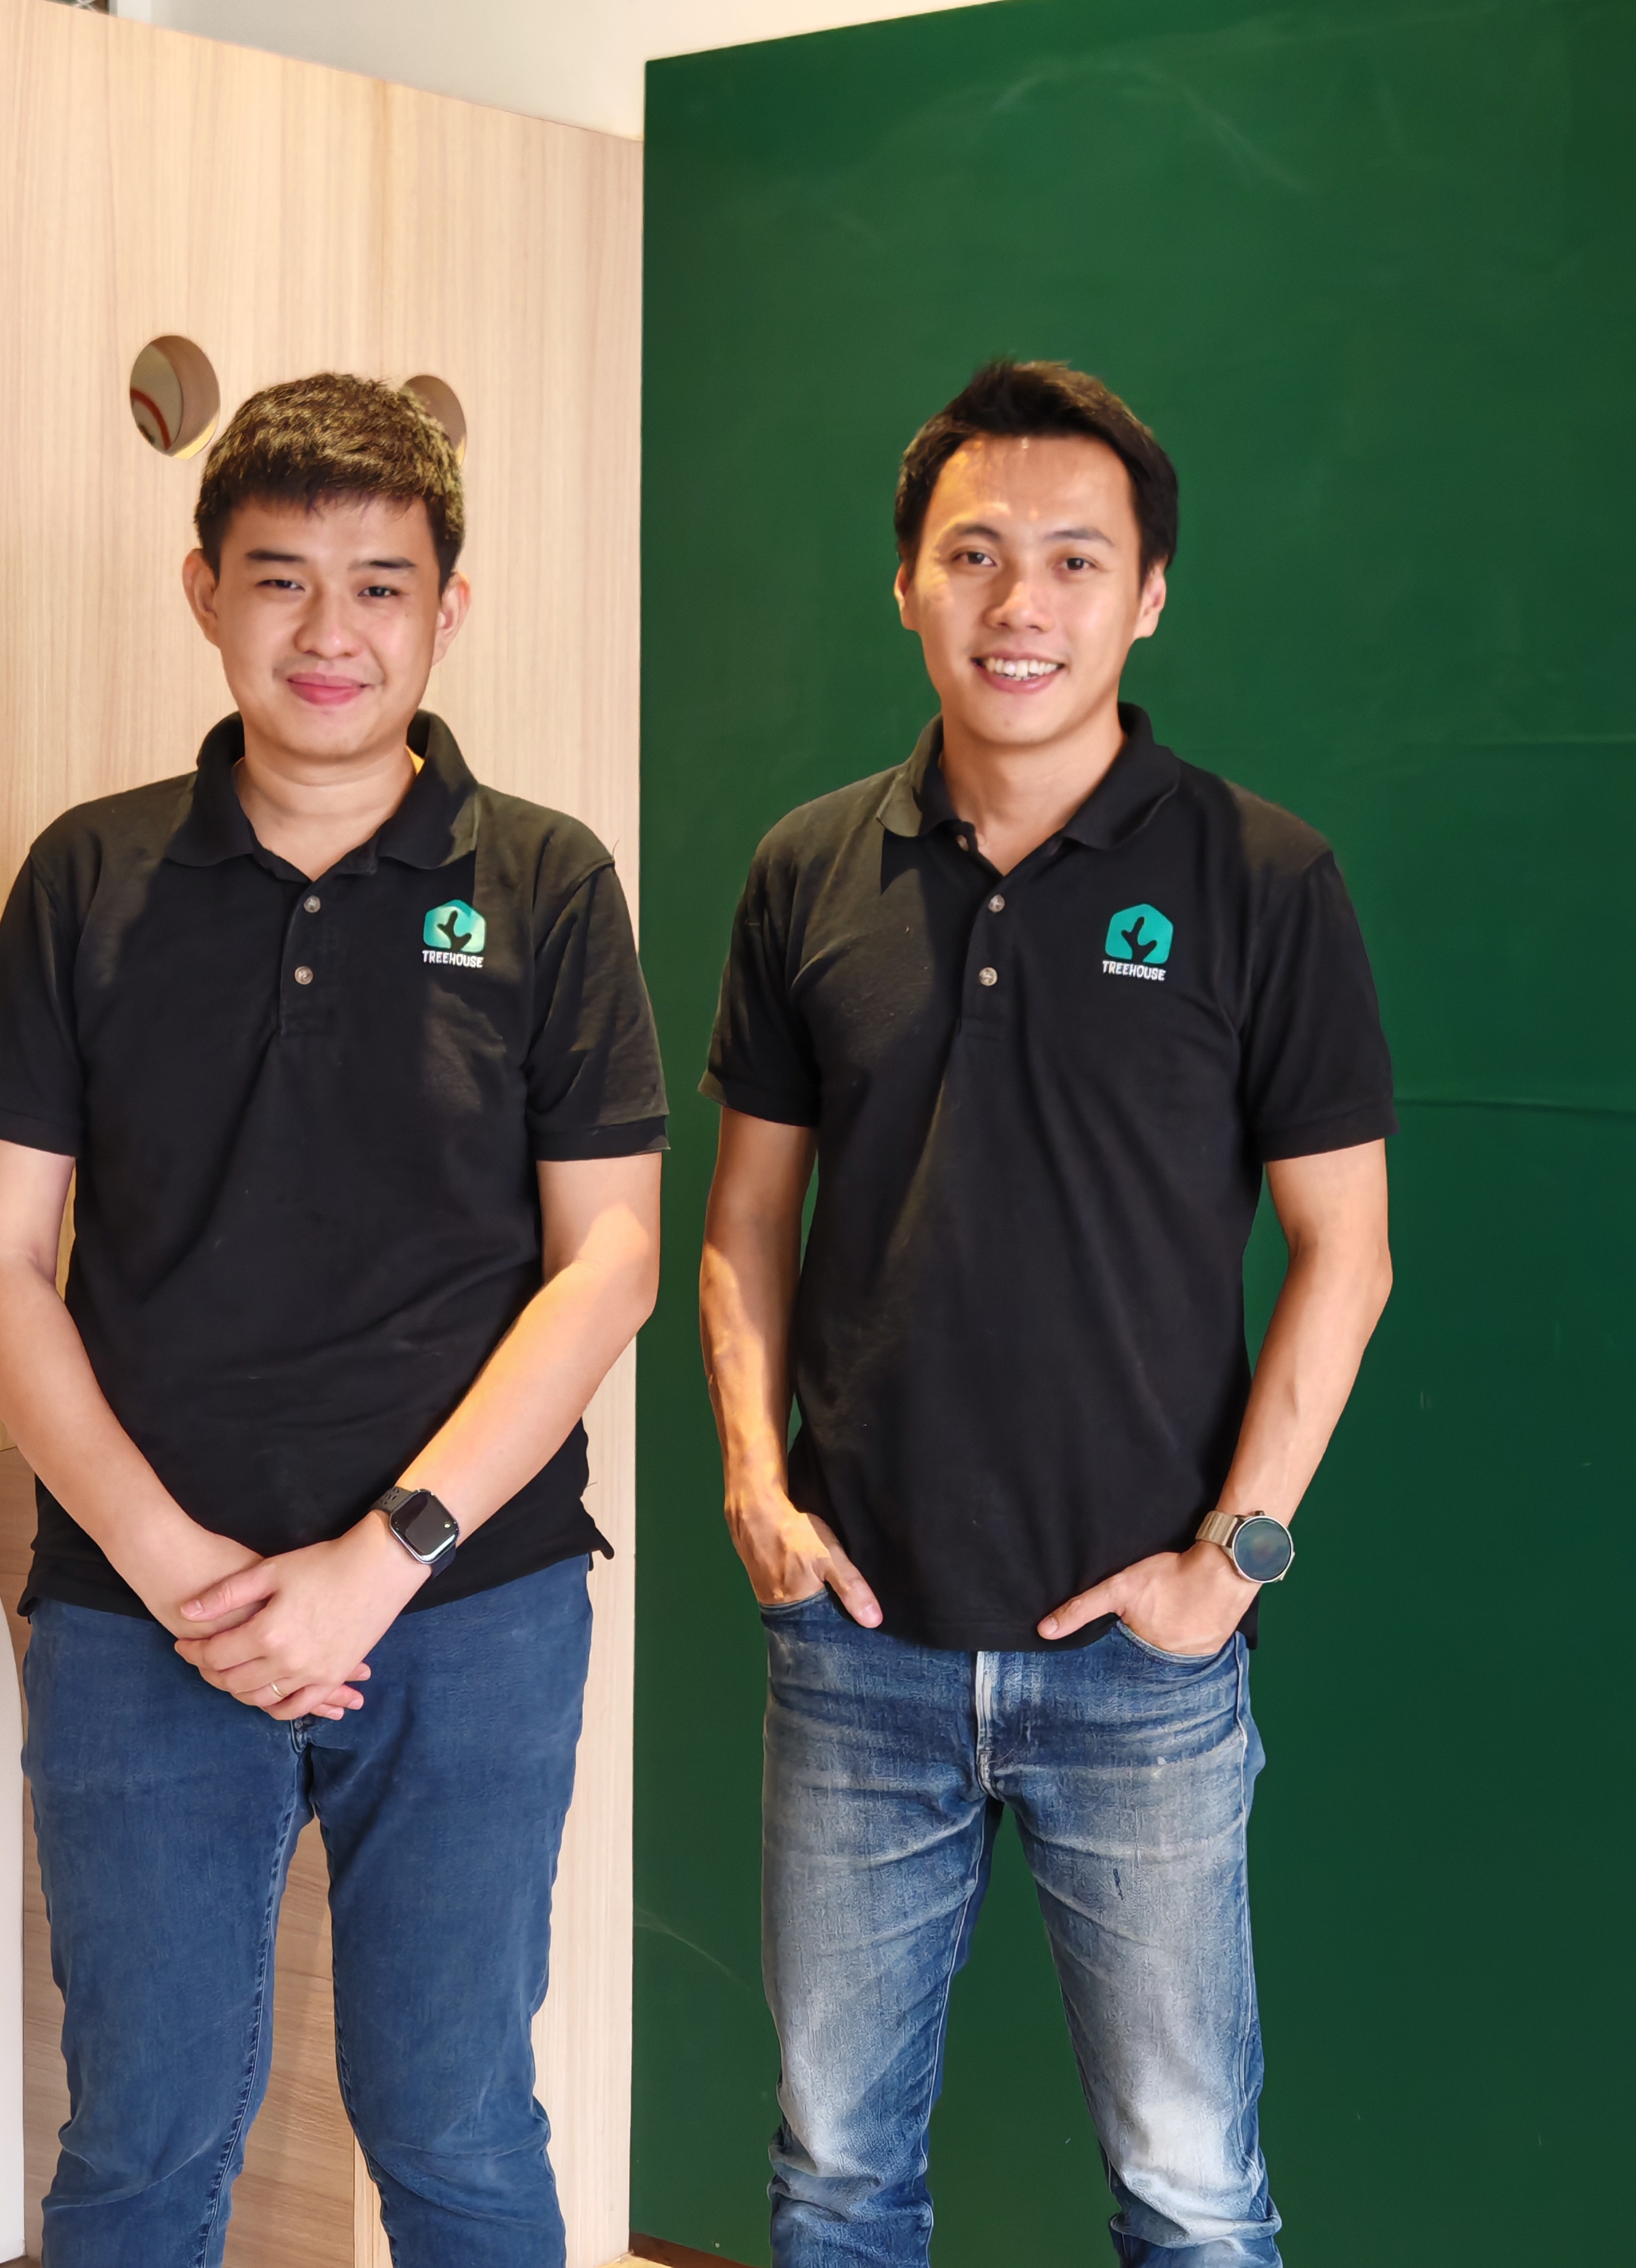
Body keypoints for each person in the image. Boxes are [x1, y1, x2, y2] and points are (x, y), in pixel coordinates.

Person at [0, 373, 667, 2267]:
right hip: (139, 1614)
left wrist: (383, 1557)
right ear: (204, 593)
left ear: (448, 610)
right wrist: (174, 1565)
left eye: (379, 586)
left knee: (458, 2125)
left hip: (474, 1602)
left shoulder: (549, 882)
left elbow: (611, 1259)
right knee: (142, 2137)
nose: (328, 633)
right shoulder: (89, 876)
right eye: (278, 580)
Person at [699, 360, 1394, 2267]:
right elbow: (745, 1219)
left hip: (1143, 1668)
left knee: (1193, 2195)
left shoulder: (1263, 879)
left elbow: (1348, 1248)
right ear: (906, 585)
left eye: (1076, 560)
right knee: (836, 2180)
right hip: (858, 1647)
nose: (1022, 604)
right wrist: (757, 1485)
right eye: (976, 553)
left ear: (1148, 594)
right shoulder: (809, 870)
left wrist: (1234, 1560)